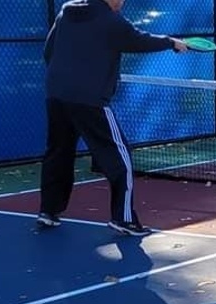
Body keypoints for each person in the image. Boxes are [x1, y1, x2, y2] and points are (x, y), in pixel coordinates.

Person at [37, 0, 188, 235]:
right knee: (121, 157)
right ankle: (124, 219)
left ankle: (48, 211)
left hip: (56, 94)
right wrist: (171, 42)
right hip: (89, 99)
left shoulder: (66, 12)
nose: (123, 1)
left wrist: (67, 77)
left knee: (58, 152)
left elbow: (49, 50)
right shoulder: (110, 20)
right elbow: (140, 40)